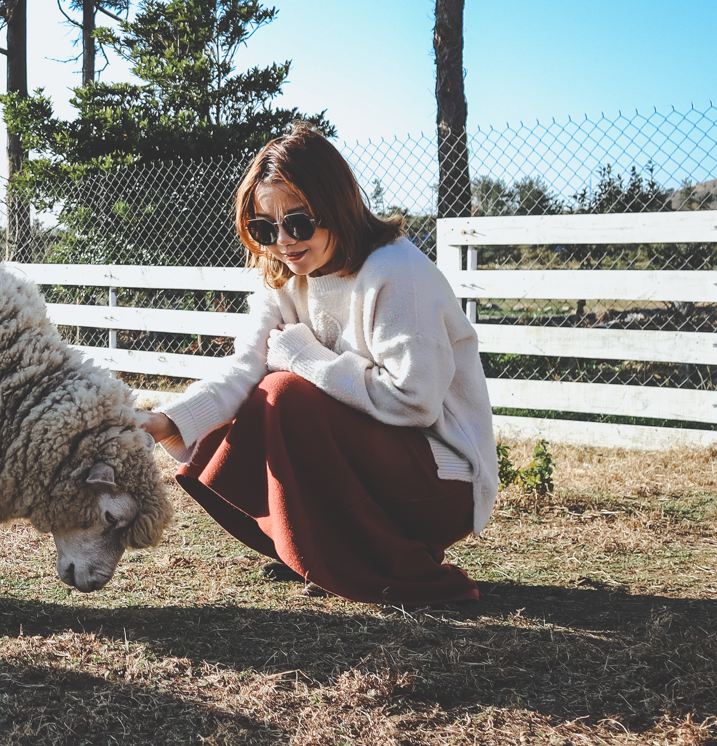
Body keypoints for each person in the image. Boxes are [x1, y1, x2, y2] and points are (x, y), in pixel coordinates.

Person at [135, 123, 497, 606]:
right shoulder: (283, 274)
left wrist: (306, 358)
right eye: (265, 228)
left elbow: (417, 401)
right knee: (261, 397)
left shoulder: (395, 271)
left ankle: (389, 564)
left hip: (442, 481)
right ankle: (324, 552)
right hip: (376, 464)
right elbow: (246, 366)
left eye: (299, 222)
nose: (283, 241)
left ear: (335, 205)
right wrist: (167, 420)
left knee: (282, 394)